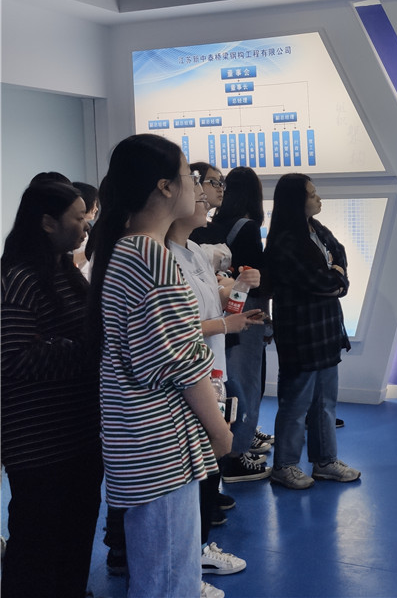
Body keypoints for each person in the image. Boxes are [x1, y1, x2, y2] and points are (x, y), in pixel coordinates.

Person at [88, 133, 233, 597]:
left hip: (140, 440)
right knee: (169, 581)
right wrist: (218, 429)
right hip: (162, 444)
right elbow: (181, 360)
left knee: (158, 575)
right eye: (190, 175)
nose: (198, 187)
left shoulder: (126, 249)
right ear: (164, 186)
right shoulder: (150, 255)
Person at [1, 181, 101, 598]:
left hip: (78, 437)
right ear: (47, 223)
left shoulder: (65, 272)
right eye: (78, 218)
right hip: (38, 446)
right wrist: (85, 350)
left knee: (74, 543)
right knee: (36, 550)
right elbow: (15, 356)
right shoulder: (20, 279)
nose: (85, 226)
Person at [167, 178, 263, 579]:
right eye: (198, 190)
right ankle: (187, 562)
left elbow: (215, 306)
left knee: (206, 472)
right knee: (194, 474)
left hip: (211, 370)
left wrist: (237, 290)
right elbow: (176, 331)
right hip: (189, 379)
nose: (205, 198)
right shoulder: (162, 259)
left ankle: (197, 551)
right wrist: (225, 323)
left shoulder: (193, 252)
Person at [265, 173, 360, 489]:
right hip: (301, 335)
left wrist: (336, 277)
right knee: (295, 404)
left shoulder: (317, 229)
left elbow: (339, 257)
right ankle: (285, 466)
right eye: (312, 194)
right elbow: (318, 280)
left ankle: (325, 461)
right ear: (296, 200)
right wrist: (336, 277)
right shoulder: (286, 242)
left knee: (325, 402)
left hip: (326, 331)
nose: (319, 198)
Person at [210, 166, 274, 482]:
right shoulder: (247, 228)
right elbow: (257, 280)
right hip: (246, 311)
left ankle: (227, 448)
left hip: (218, 312)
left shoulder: (211, 226)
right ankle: (237, 453)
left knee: (225, 382)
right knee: (247, 382)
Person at [72, 180, 99, 278]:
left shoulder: (89, 228)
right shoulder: (72, 230)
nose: (96, 208)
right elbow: (72, 258)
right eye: (94, 203)